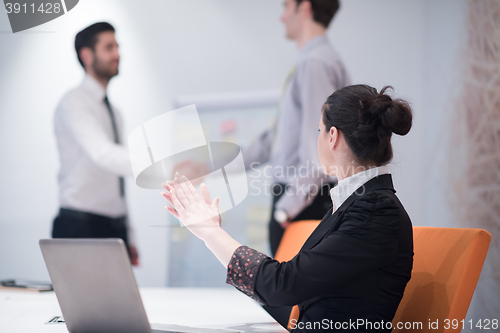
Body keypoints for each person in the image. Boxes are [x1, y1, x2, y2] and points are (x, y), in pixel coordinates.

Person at [162, 84, 414, 332]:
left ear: (333, 137)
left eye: (319, 130)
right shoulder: (358, 202)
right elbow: (298, 299)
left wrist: (211, 233)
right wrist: (213, 236)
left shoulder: (375, 210)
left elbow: (285, 285)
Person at [176, 0, 350, 258]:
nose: (281, 17)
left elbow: (320, 149)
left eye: (286, 7)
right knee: (282, 293)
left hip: (303, 202)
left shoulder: (315, 63)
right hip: (300, 199)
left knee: (284, 293)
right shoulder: (313, 61)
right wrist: (207, 167)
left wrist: (287, 208)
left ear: (304, 8)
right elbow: (272, 141)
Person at [52, 22, 139, 265]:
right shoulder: (74, 103)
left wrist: (128, 233)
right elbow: (102, 154)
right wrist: (158, 167)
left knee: (118, 303)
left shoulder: (115, 112)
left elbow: (116, 180)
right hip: (79, 226)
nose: (117, 54)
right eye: (109, 47)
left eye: (117, 47)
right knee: (79, 303)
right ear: (87, 55)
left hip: (114, 226)